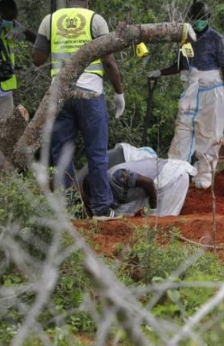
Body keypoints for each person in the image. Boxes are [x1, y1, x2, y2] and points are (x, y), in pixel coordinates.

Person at [32, 0, 125, 220]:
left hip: (60, 96)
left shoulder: (50, 20)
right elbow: (109, 61)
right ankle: (102, 210)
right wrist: (119, 94)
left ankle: (71, 211)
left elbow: (37, 59)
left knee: (62, 155)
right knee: (97, 153)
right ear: (89, 1)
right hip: (90, 95)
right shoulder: (96, 20)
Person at [148, 1, 224, 190]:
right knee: (182, 130)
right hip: (191, 88)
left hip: (211, 90)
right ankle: (175, 171)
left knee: (209, 132)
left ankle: (205, 173)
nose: (198, 23)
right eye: (195, 20)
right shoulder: (186, 39)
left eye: (201, 19)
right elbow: (181, 65)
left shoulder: (216, 39)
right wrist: (160, 72)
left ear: (207, 19)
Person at [81, 145, 196, 217]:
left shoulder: (118, 176)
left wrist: (153, 207)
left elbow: (148, 183)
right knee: (124, 213)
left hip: (172, 177)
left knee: (163, 220)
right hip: (156, 184)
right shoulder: (105, 190)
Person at [0, 0, 36, 117]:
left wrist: (22, 30)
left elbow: (36, 39)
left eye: (12, 19)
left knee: (6, 130)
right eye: (7, 18)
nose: (9, 22)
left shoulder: (11, 25)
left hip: (5, 90)